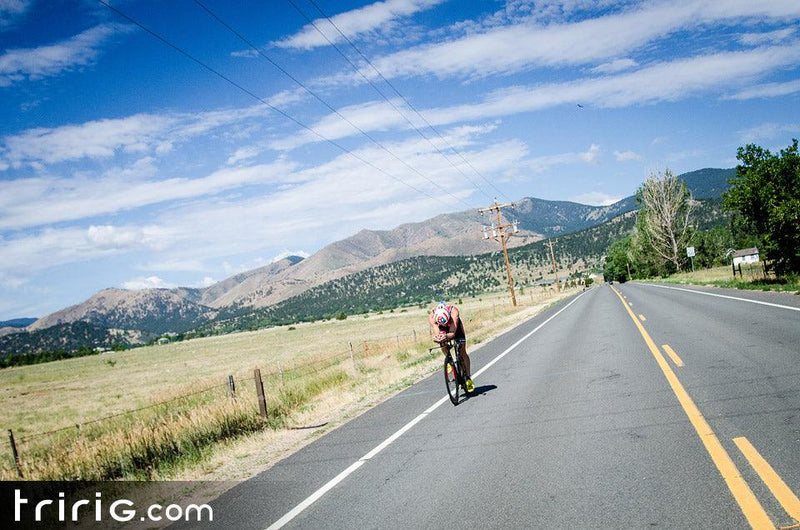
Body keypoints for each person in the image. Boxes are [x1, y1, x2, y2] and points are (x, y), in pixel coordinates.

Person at [429, 301, 474, 393]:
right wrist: (439, 338)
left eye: (445, 323)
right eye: (443, 324)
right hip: (441, 328)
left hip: (455, 327)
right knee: (442, 343)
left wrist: (447, 336)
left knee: (462, 350)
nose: (445, 325)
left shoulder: (454, 312)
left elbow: (453, 333)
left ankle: (468, 377)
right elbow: (437, 333)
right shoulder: (432, 317)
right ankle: (449, 361)